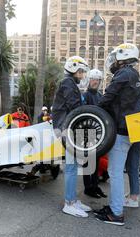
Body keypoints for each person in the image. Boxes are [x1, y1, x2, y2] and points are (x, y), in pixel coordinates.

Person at [94, 43, 140, 226]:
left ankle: (116, 213)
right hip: (131, 130)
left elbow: (107, 98)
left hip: (122, 130)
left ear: (123, 58)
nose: (113, 61)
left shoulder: (123, 74)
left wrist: (92, 111)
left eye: (116, 57)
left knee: (114, 172)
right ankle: (115, 206)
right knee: (118, 171)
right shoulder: (134, 75)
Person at [52, 56, 92, 218]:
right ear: (73, 69)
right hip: (66, 128)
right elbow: (75, 107)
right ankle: (69, 203)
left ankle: (73, 200)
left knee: (73, 166)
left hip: (69, 128)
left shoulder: (69, 83)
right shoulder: (68, 83)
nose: (82, 75)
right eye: (81, 71)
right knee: (70, 167)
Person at [82, 69, 107, 199]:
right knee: (88, 161)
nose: (95, 81)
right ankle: (88, 188)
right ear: (89, 80)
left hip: (98, 133)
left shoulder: (101, 96)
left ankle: (95, 185)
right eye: (93, 79)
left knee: (96, 161)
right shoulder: (85, 96)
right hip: (87, 132)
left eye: (97, 80)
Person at [124, 142, 140, 208]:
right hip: (139, 137)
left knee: (132, 166)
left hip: (136, 137)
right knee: (133, 166)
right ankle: (134, 195)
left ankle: (133, 198)